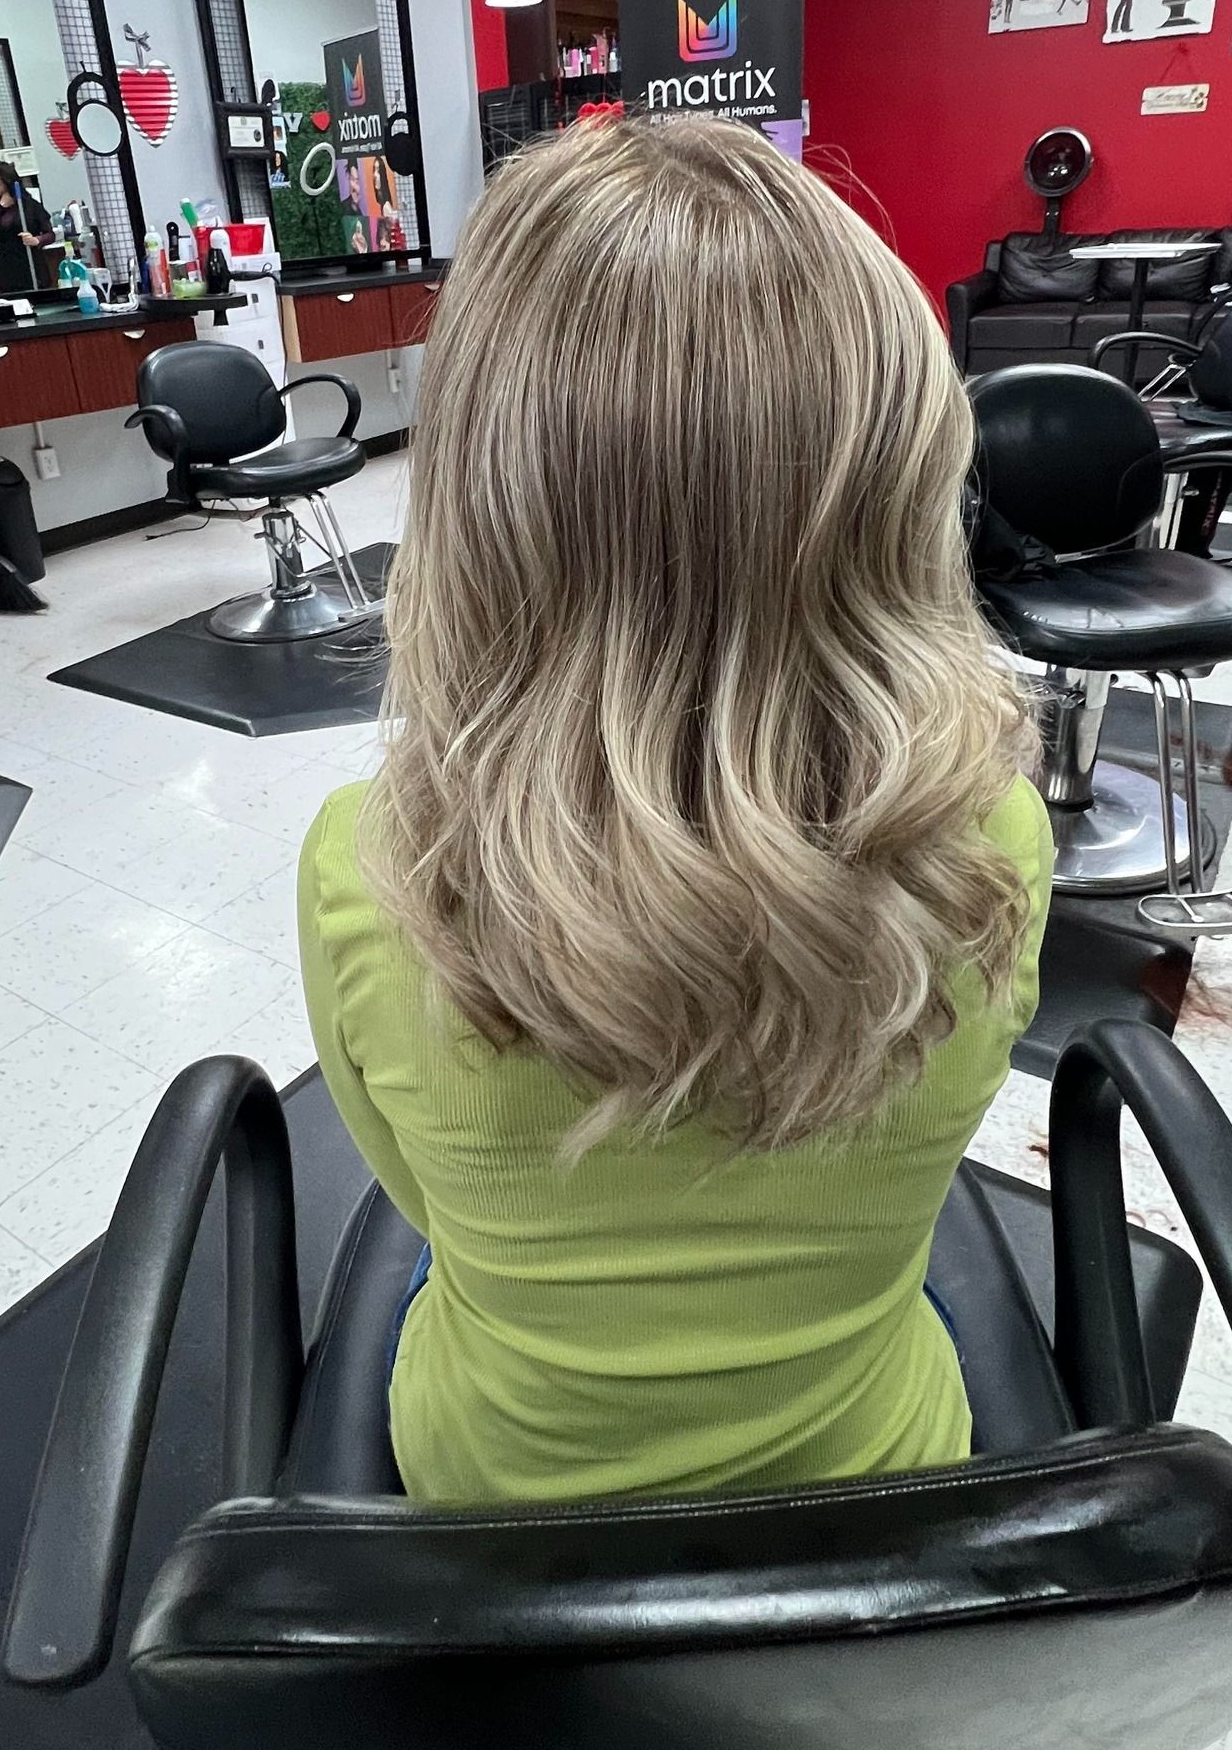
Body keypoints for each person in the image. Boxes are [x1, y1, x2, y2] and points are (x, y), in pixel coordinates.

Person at [299, 115, 1053, 1508]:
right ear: (897, 485)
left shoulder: (371, 863)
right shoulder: (990, 835)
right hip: (874, 1478)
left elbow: (421, 1204)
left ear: (474, 497)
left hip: (495, 1504)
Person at [0, 158, 53, 291]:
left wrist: (36, 240)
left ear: (6, 179)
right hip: (8, 268)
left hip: (32, 265)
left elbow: (50, 234)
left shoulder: (30, 205)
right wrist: (1, 207)